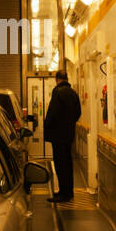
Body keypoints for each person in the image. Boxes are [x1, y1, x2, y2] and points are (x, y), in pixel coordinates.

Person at [42, 69, 81, 203]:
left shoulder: (57, 92)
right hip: (69, 135)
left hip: (58, 135)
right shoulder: (74, 93)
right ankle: (68, 192)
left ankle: (63, 194)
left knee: (60, 163)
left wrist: (47, 126)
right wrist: (69, 124)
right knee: (68, 163)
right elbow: (78, 113)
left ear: (57, 79)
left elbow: (52, 113)